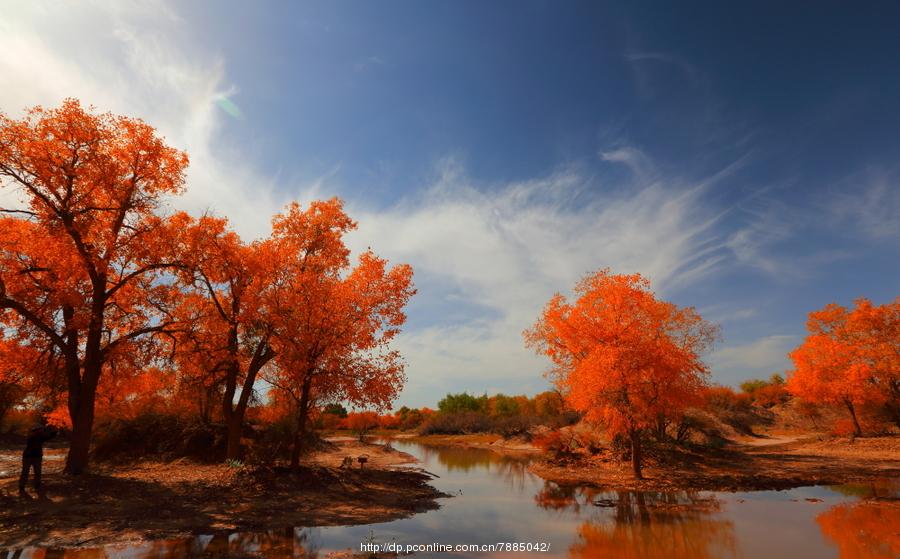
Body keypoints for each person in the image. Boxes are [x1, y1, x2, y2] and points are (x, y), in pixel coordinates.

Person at [19, 423, 57, 493]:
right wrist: (49, 431)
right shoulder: (31, 435)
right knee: (25, 472)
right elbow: (43, 436)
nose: (42, 430)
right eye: (41, 429)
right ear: (37, 430)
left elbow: (49, 437)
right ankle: (22, 486)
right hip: (29, 456)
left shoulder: (40, 436)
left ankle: (36, 485)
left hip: (36, 456)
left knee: (37, 472)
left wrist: (54, 432)